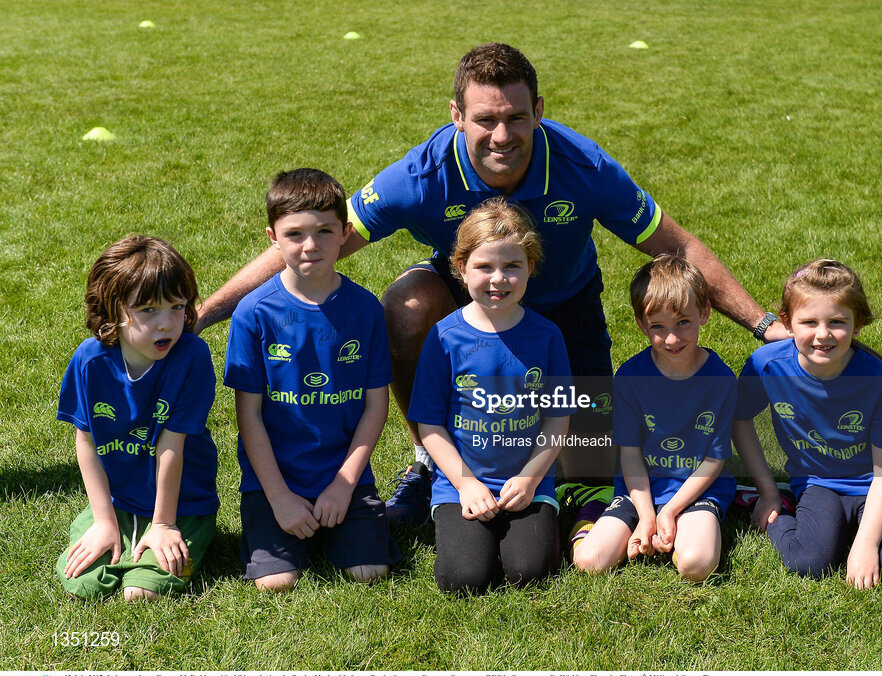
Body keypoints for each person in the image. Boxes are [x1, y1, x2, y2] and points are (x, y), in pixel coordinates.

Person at [196, 43, 788, 526]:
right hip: (468, 311)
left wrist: (765, 325)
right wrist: (202, 314)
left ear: (537, 111)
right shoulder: (420, 175)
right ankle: (433, 460)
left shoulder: (583, 166)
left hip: (563, 310)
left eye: (515, 117)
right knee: (405, 304)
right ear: (456, 116)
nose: (502, 135)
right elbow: (307, 250)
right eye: (485, 119)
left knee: (587, 465)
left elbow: (677, 246)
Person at [223, 169, 400, 591]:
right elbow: (248, 417)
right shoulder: (253, 313)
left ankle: (340, 522)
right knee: (277, 582)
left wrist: (342, 486)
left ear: (344, 233)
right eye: (295, 233)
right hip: (275, 480)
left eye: (324, 231)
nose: (310, 245)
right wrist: (280, 498)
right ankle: (286, 526)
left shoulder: (365, 310)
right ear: (273, 237)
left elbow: (377, 406)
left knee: (368, 572)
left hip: (343, 476)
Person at [407, 198, 573, 594]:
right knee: (464, 579)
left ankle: (533, 525)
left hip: (528, 481)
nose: (498, 279)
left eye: (512, 266)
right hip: (461, 482)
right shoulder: (444, 337)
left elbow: (558, 419)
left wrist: (532, 477)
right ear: (461, 268)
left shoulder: (548, 336)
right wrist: (465, 485)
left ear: (531, 268)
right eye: (484, 267)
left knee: (530, 574)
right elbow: (429, 425)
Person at [733, 259, 882, 588]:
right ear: (788, 323)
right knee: (809, 563)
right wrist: (767, 491)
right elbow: (738, 418)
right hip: (819, 482)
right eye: (809, 322)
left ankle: (860, 531)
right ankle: (775, 503)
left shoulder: (875, 377)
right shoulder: (767, 365)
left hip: (878, 483)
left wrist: (865, 543)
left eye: (837, 321)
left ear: (857, 324)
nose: (823, 334)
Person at [56, 236, 219, 600]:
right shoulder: (89, 360)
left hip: (183, 502)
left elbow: (171, 443)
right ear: (112, 310)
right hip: (118, 500)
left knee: (143, 591)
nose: (167, 324)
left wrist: (163, 524)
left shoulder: (192, 356)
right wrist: (102, 521)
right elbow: (86, 442)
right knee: (82, 583)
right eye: (148, 310)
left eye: (177, 307)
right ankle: (114, 530)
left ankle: (176, 536)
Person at [571, 255, 737, 580]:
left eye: (683, 323)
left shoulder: (721, 380)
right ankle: (596, 512)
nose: (672, 339)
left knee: (697, 565)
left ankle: (678, 536)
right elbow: (630, 455)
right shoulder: (630, 377)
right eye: (658, 327)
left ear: (704, 313)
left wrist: (672, 511)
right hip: (640, 490)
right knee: (590, 562)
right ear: (640, 324)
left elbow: (714, 461)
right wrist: (647, 516)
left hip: (698, 490)